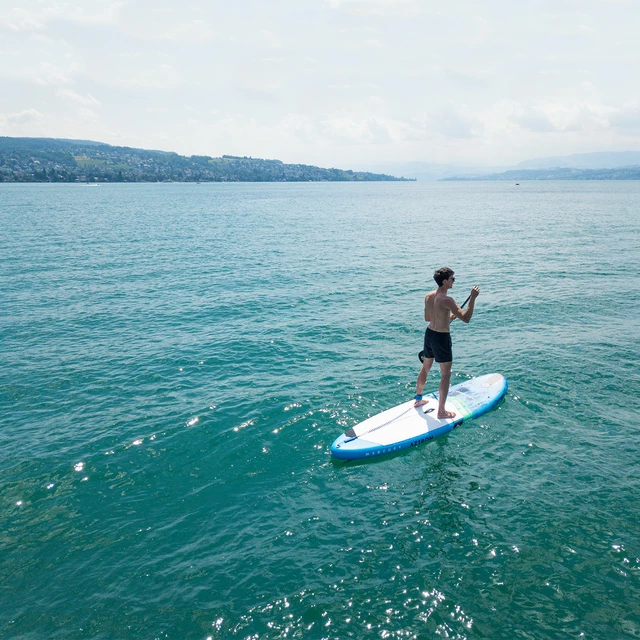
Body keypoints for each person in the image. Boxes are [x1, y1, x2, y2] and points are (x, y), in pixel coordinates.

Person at [414, 267, 480, 418]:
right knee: (446, 374)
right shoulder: (447, 300)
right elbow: (466, 318)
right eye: (452, 279)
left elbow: (428, 318)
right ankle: (441, 412)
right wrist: (473, 298)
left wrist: (446, 318)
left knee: (425, 368)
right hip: (441, 338)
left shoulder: (429, 296)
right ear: (445, 282)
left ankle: (418, 399)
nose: (453, 281)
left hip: (429, 334)